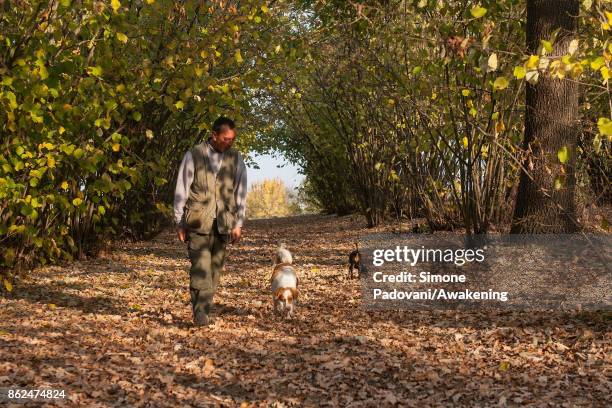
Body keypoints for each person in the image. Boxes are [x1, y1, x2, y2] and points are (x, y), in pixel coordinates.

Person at [173, 116, 247, 326]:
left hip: (224, 222)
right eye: (226, 138)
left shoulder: (236, 158)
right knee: (201, 268)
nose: (229, 142)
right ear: (214, 135)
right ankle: (201, 315)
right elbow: (182, 188)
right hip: (197, 223)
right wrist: (179, 221)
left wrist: (238, 223)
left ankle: (203, 309)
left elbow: (241, 192)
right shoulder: (194, 154)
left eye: (232, 139)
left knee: (214, 271)